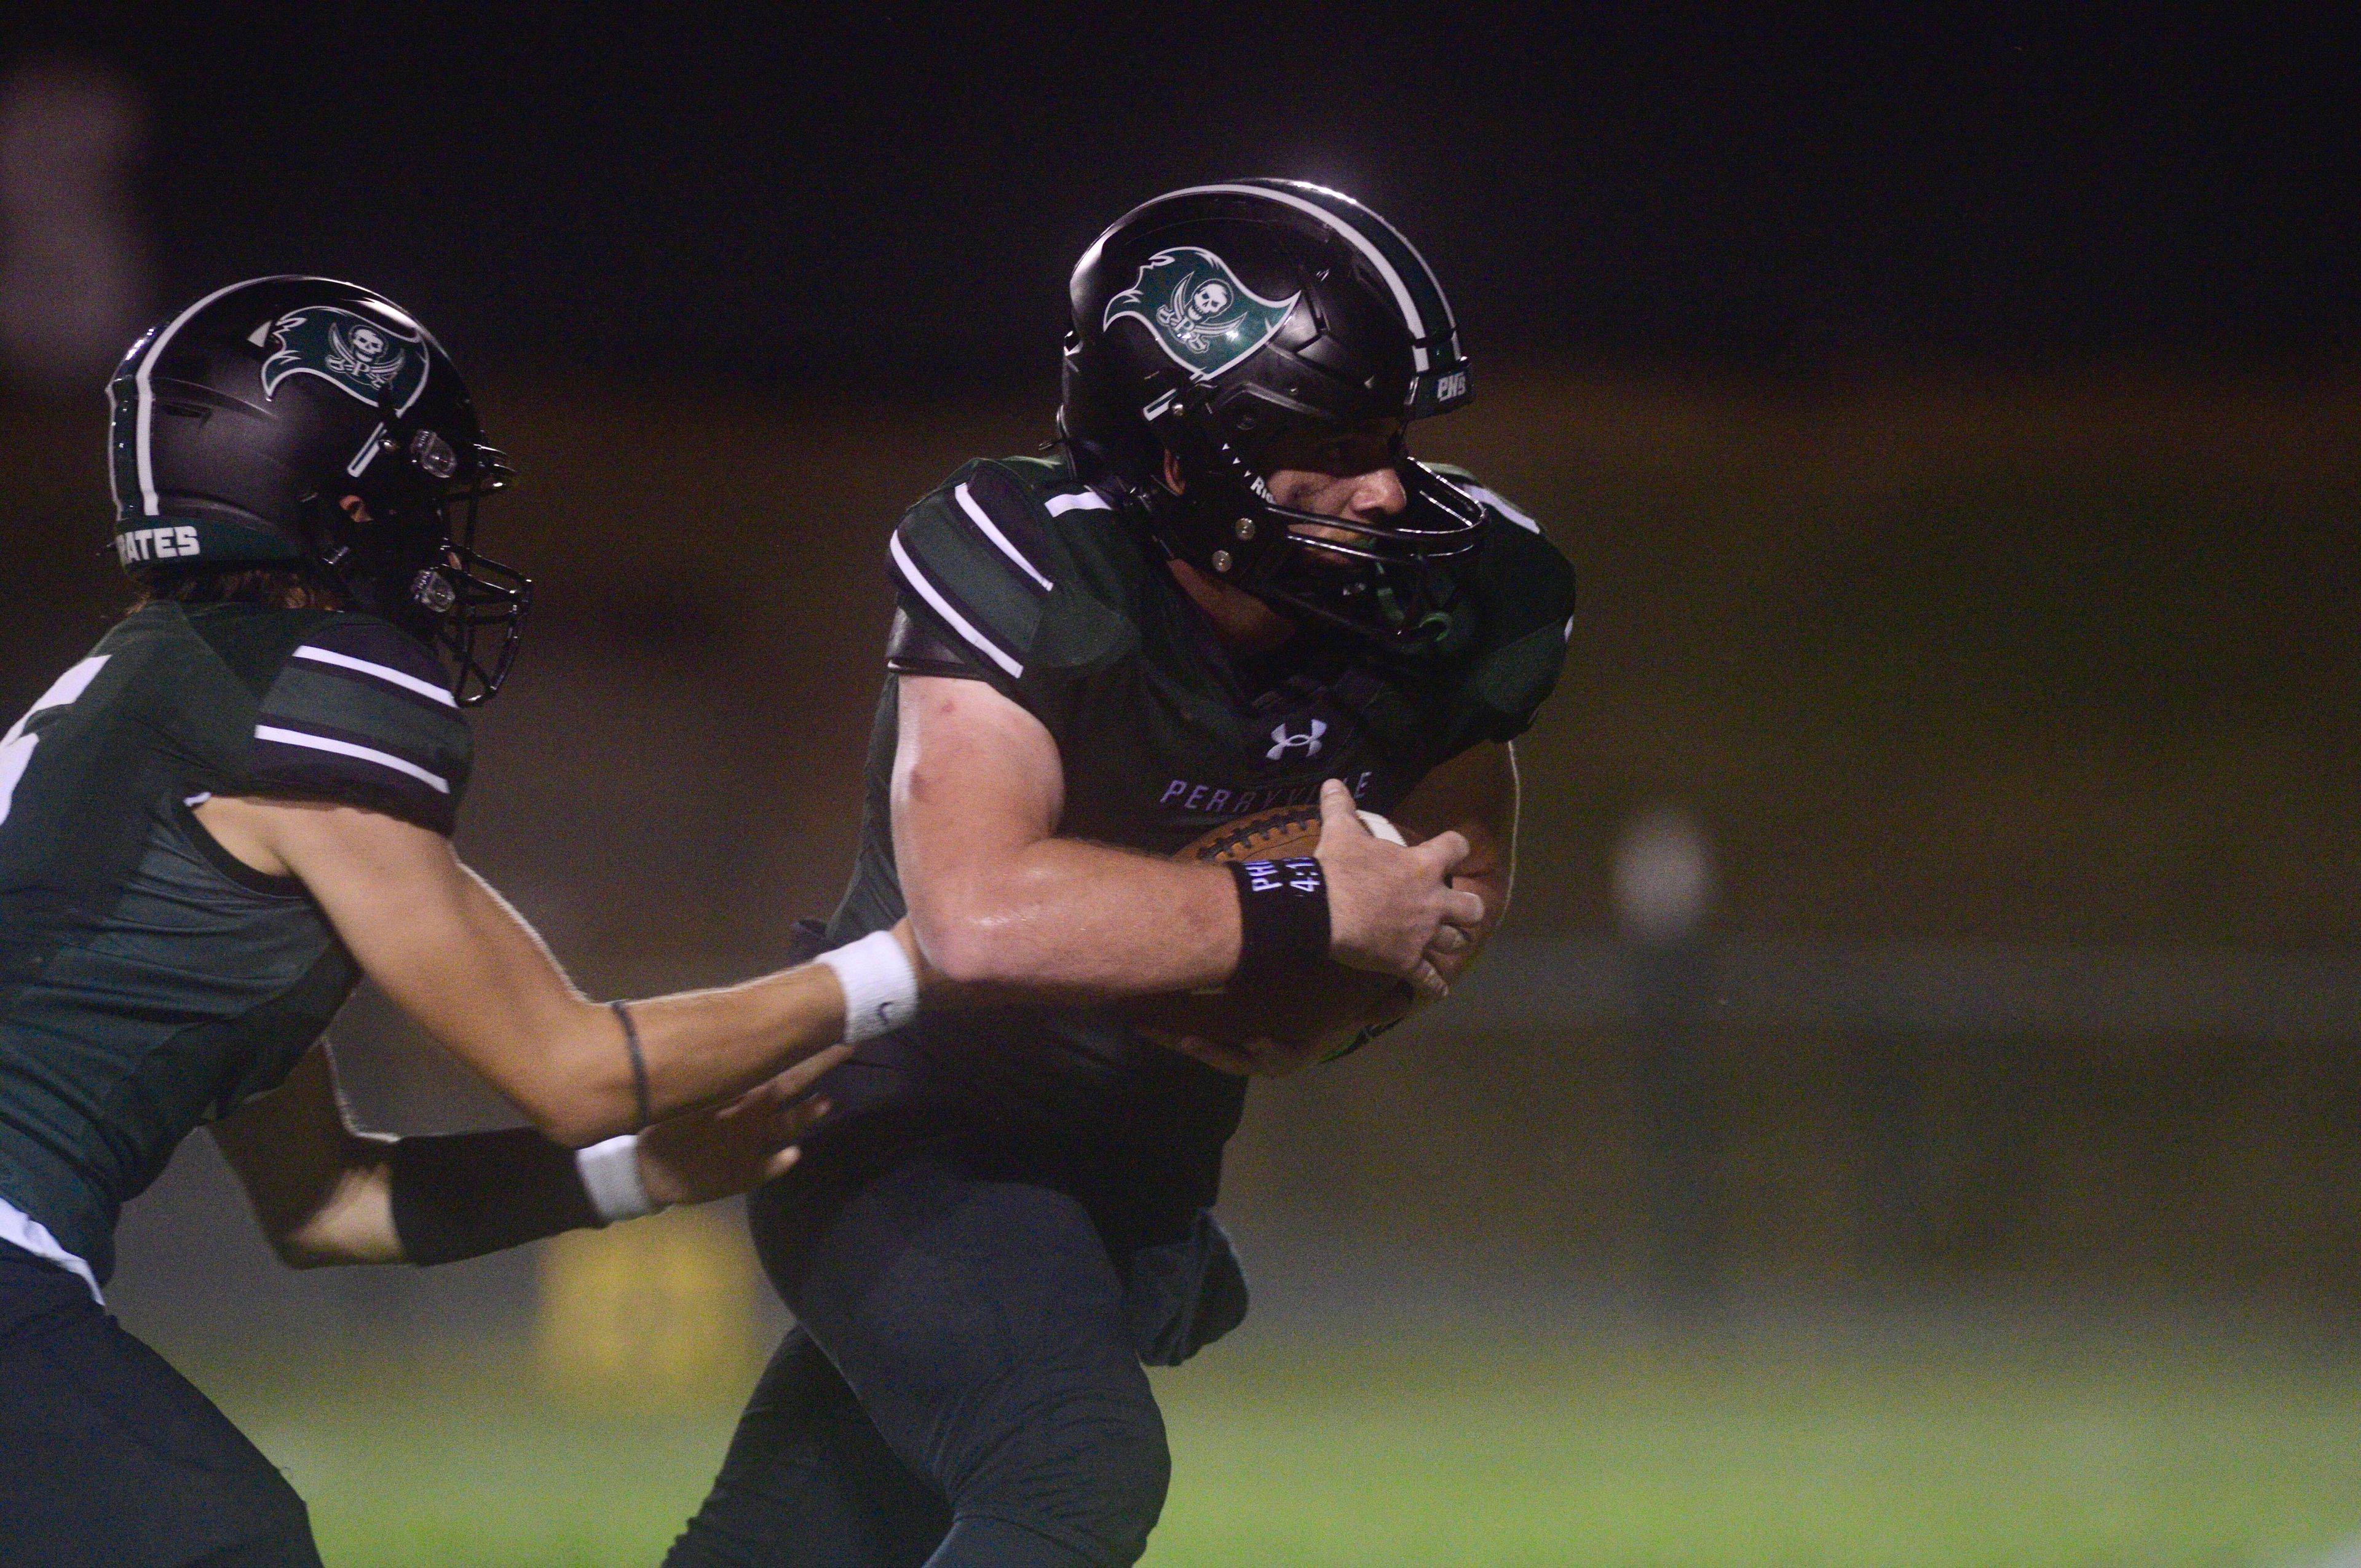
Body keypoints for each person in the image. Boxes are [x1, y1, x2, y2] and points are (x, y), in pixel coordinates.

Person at [668, 181, 1578, 1568]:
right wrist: (1306, 913)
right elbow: (973, 921)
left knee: (798, 1540)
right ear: (1180, 458)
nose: (1386, 485)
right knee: (1069, 1468)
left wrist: (1326, 999)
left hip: (1137, 1155)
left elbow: (1458, 879)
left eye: (1389, 437)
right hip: (911, 1124)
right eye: (1329, 447)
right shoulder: (1031, 553)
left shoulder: (1458, 597)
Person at [0, 276, 934, 1568]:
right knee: (220, 1545)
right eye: (423, 501)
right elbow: (577, 1071)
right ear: (345, 502)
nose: (441, 544)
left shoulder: (152, 720)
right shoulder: (308, 690)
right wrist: (916, 962)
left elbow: (327, 1205)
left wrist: (648, 1174)